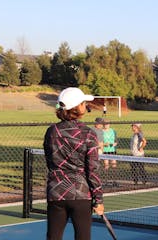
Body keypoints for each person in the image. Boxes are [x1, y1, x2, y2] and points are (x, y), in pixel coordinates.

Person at [43, 87, 103, 240]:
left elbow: (50, 161)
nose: (85, 106)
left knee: (53, 237)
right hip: (81, 193)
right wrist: (99, 199)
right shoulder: (88, 133)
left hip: (56, 192)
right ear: (77, 107)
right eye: (83, 103)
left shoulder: (52, 131)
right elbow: (92, 169)